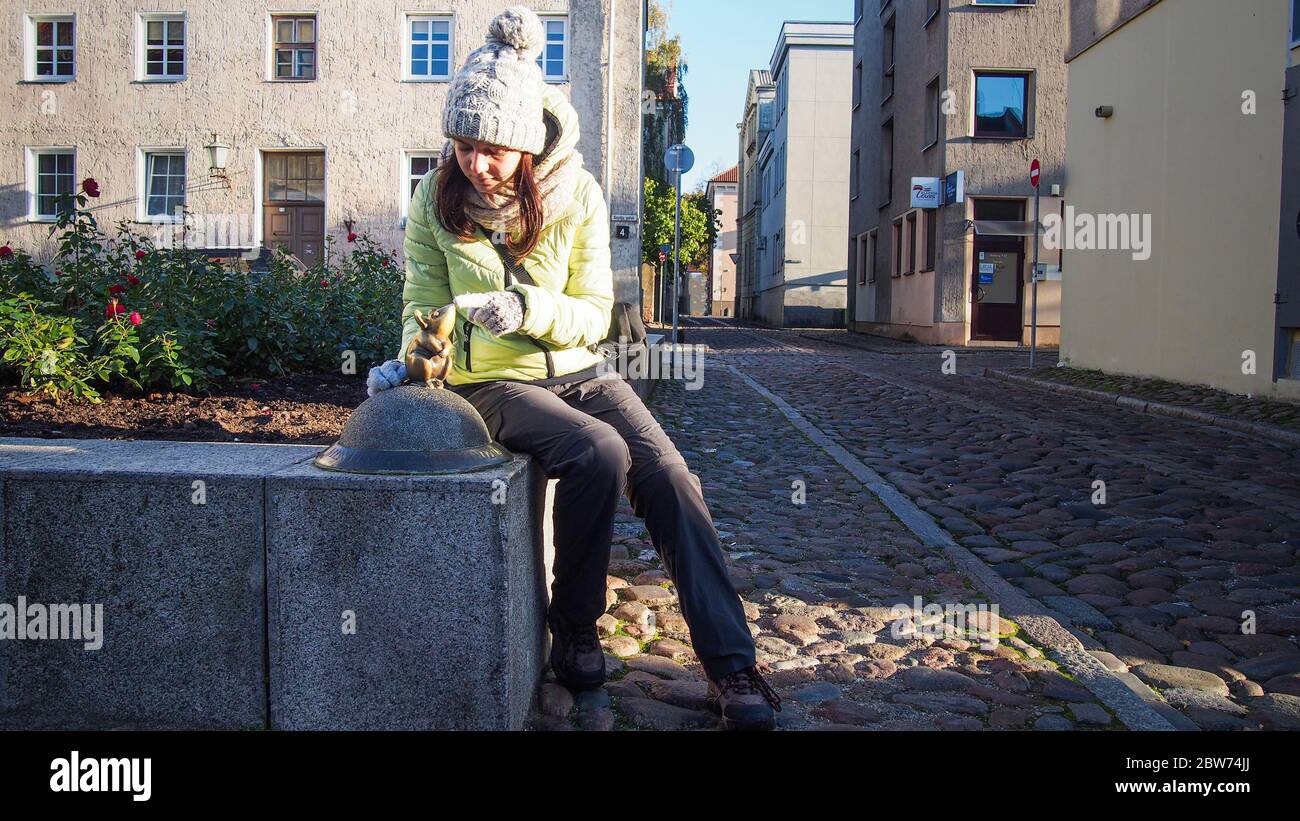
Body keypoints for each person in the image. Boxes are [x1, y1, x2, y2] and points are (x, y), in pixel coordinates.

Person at [367, 6, 780, 730]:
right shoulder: (435, 201)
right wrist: (412, 360)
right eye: (463, 144)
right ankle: (577, 629)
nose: (475, 162)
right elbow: (422, 301)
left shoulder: (578, 196)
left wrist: (528, 310)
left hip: (580, 367)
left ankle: (731, 665)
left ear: (525, 143)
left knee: (671, 475)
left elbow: (593, 310)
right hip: (490, 382)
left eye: (490, 148)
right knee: (596, 450)